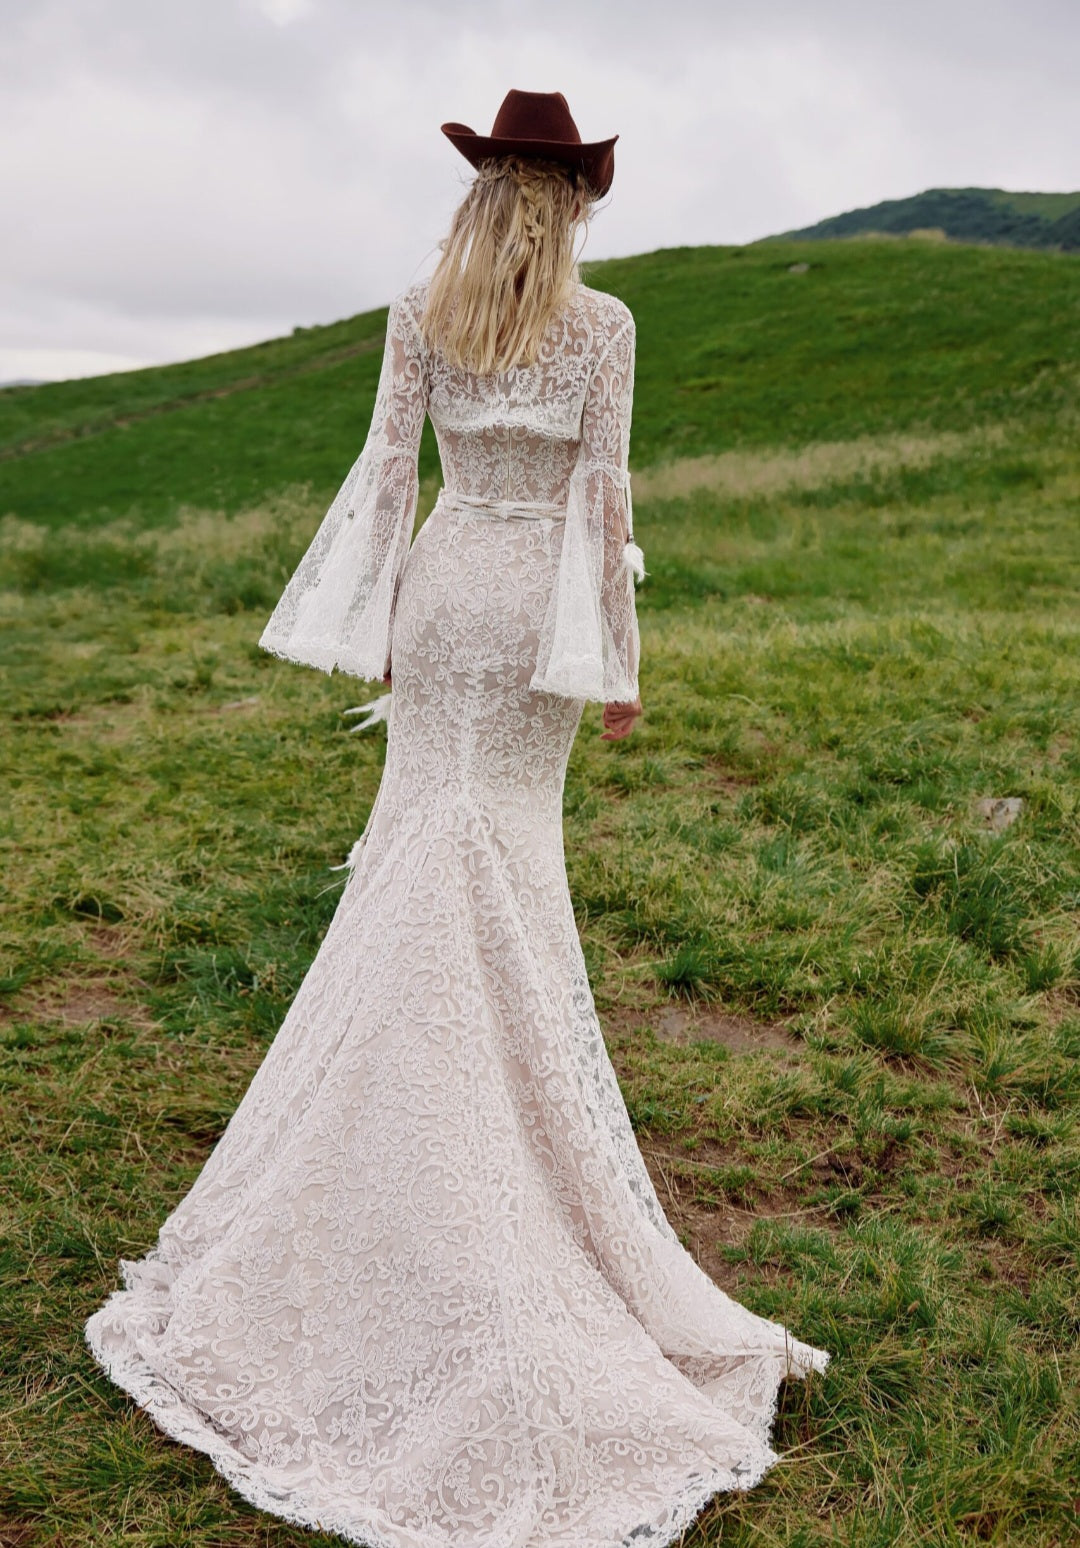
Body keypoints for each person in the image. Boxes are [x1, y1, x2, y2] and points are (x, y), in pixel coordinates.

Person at [85, 88, 828, 1548]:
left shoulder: (417, 309)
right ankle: (482, 1164)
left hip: (441, 602)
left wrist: (374, 622)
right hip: (529, 619)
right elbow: (602, 501)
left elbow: (382, 470)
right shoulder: (605, 326)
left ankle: (384, 1157)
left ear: (487, 191)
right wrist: (616, 663)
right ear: (576, 200)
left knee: (421, 850)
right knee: (502, 866)